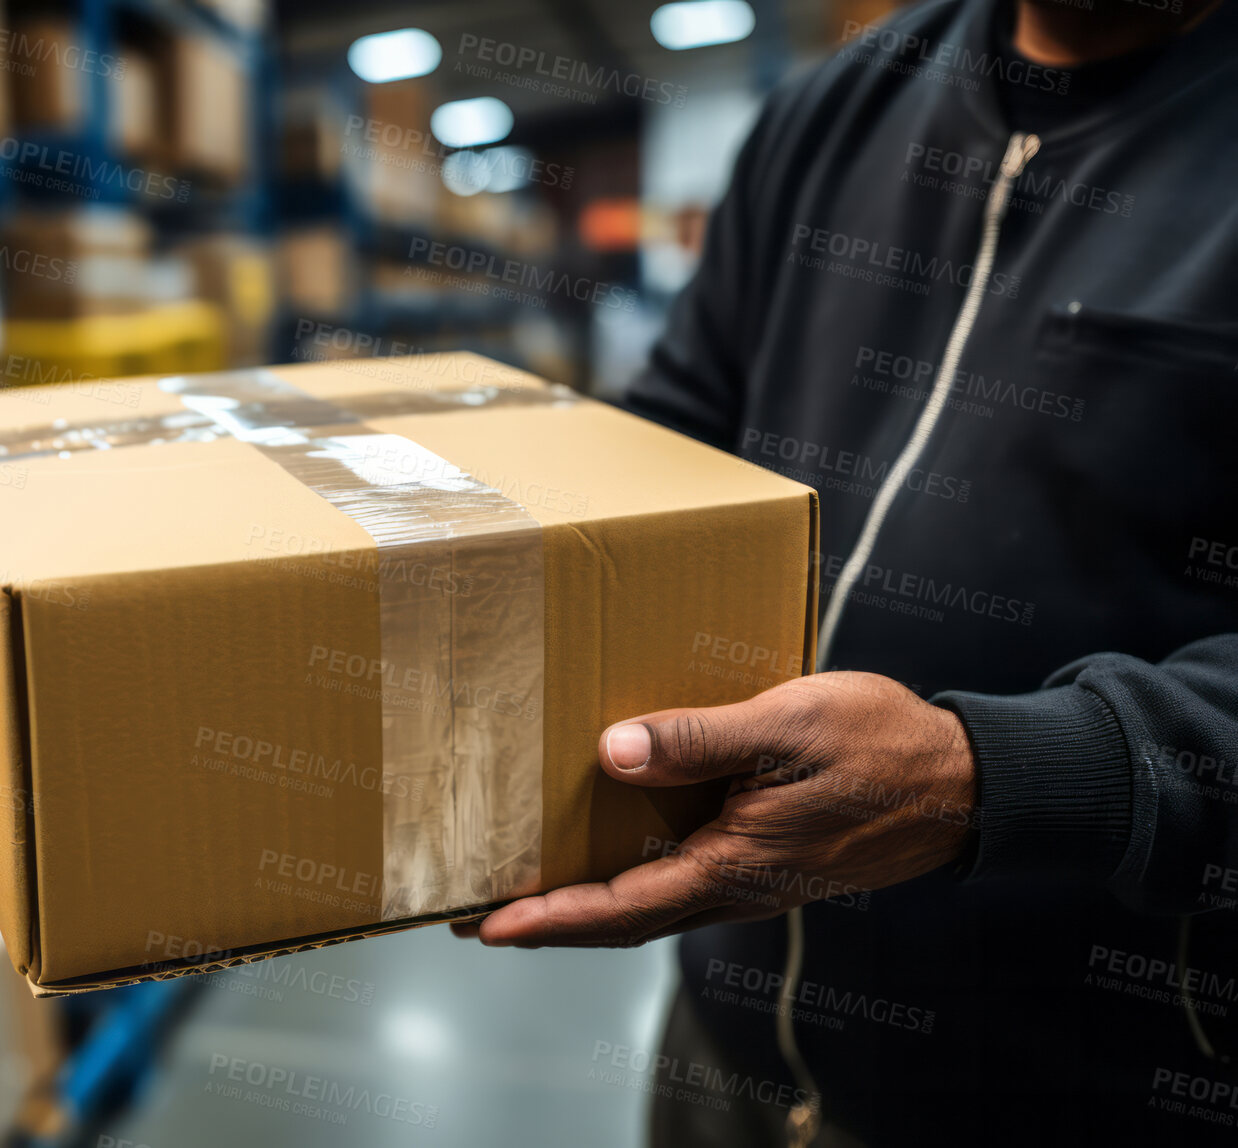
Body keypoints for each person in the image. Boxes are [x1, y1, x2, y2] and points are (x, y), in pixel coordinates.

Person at [464, 0, 1238, 1143]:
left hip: (1084, 1086)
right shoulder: (843, 104)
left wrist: (986, 774)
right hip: (726, 1045)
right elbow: (674, 440)